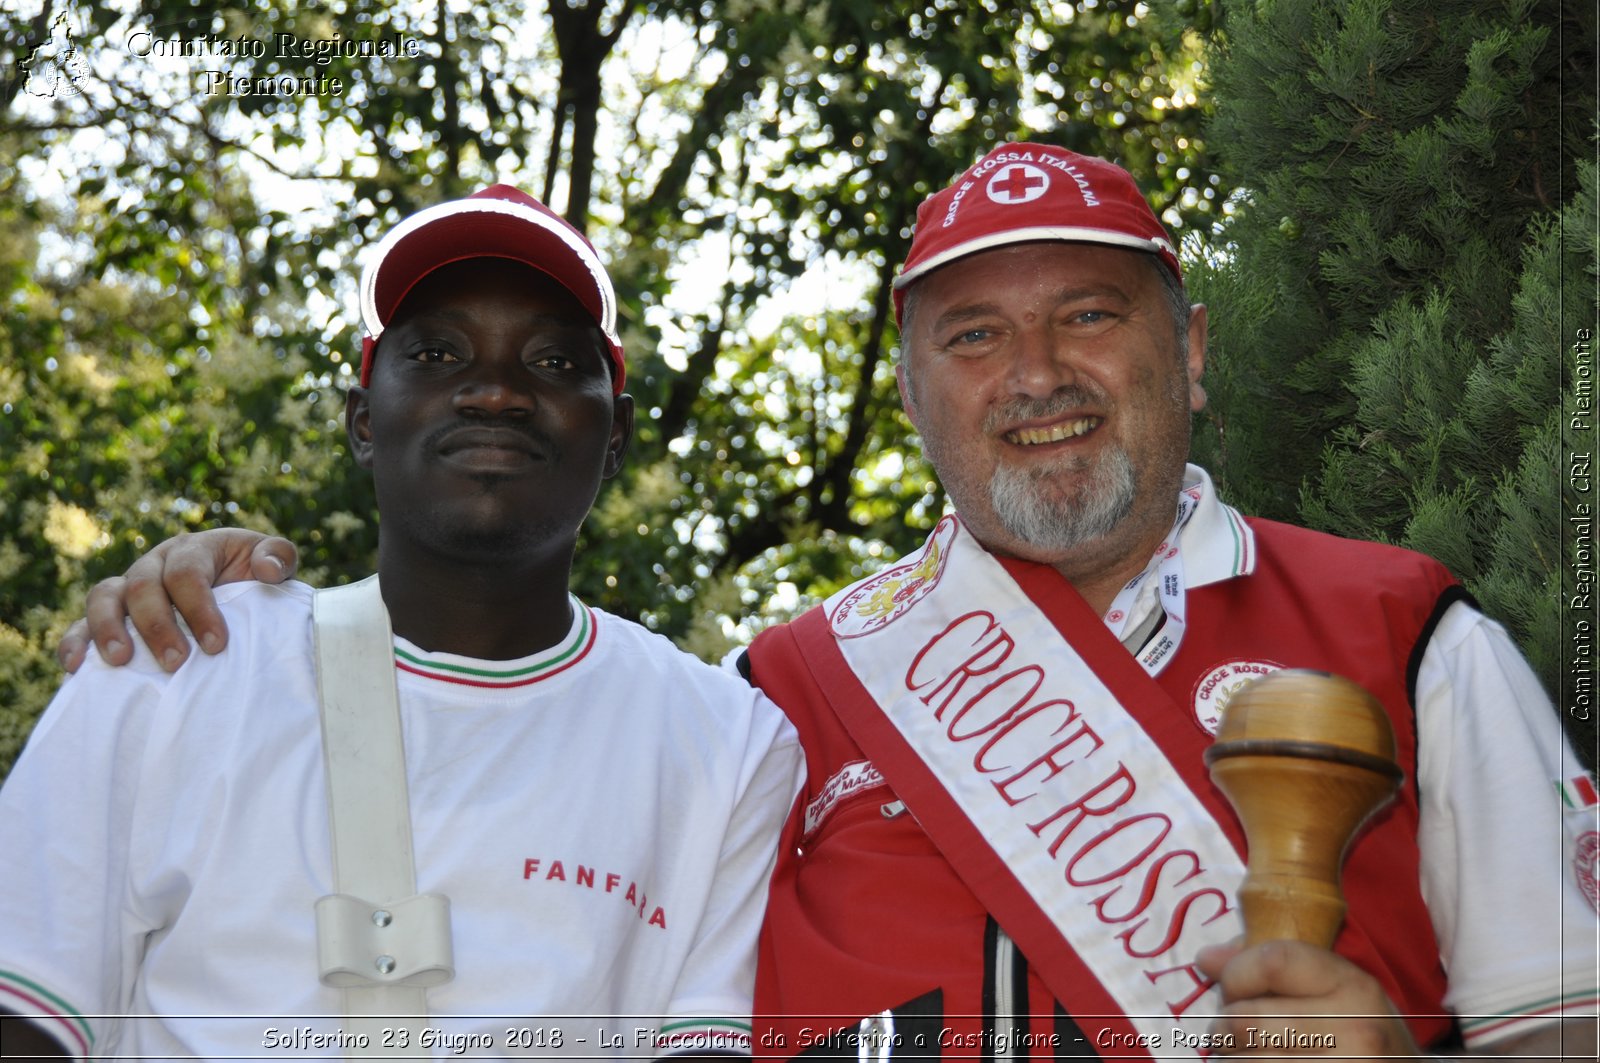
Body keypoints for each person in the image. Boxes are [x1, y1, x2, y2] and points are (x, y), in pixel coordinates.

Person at [56, 145, 1598, 1061]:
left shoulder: (1417, 642)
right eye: (975, 334)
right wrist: (230, 596)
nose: (1039, 372)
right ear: (917, 391)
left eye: (1088, 315)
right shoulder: (780, 694)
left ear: (1186, 350)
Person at [3, 185, 803, 1060]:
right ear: (362, 421)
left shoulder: (728, 746)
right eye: (436, 352)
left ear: (615, 437)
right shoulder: (177, 651)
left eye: (551, 362)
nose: (495, 391)